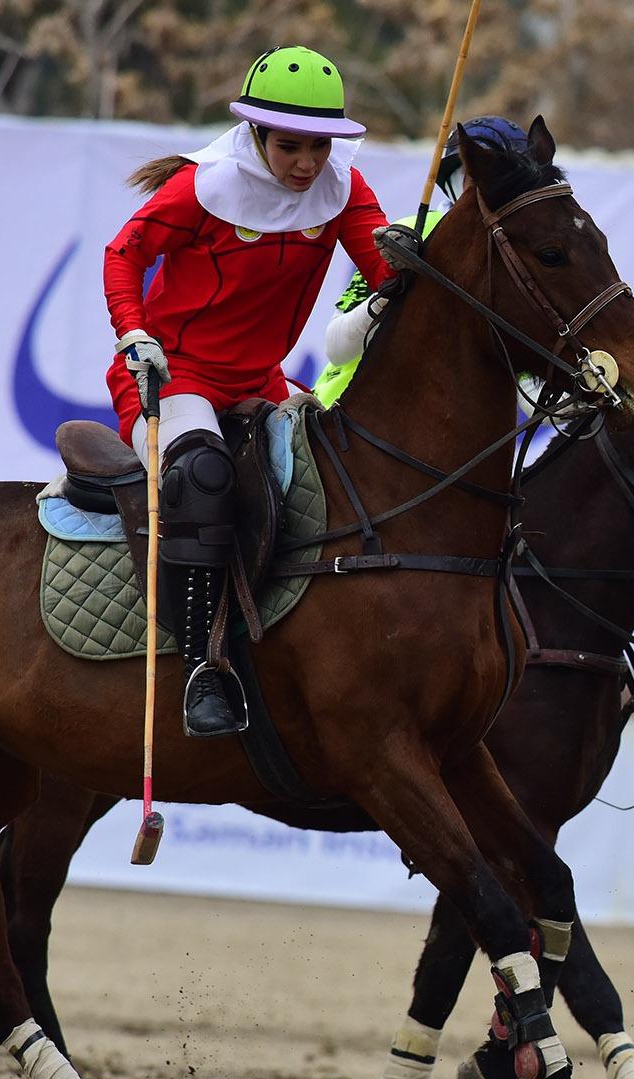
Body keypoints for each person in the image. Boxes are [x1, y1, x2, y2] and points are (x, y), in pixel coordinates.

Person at [103, 45, 394, 738]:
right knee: (203, 476)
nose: (307, 164)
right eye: (290, 146)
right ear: (256, 134)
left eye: (320, 147)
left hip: (261, 381)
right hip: (175, 376)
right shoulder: (201, 187)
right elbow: (124, 254)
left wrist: (407, 272)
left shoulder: (344, 187)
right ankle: (203, 668)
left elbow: (383, 270)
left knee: (341, 468)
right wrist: (133, 330)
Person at [313, 116, 530, 408]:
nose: (490, 190)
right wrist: (388, 294)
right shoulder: (407, 235)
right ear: (452, 179)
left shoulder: (522, 258)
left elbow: (530, 394)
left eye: (506, 179)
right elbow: (337, 348)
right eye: (476, 175)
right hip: (345, 416)